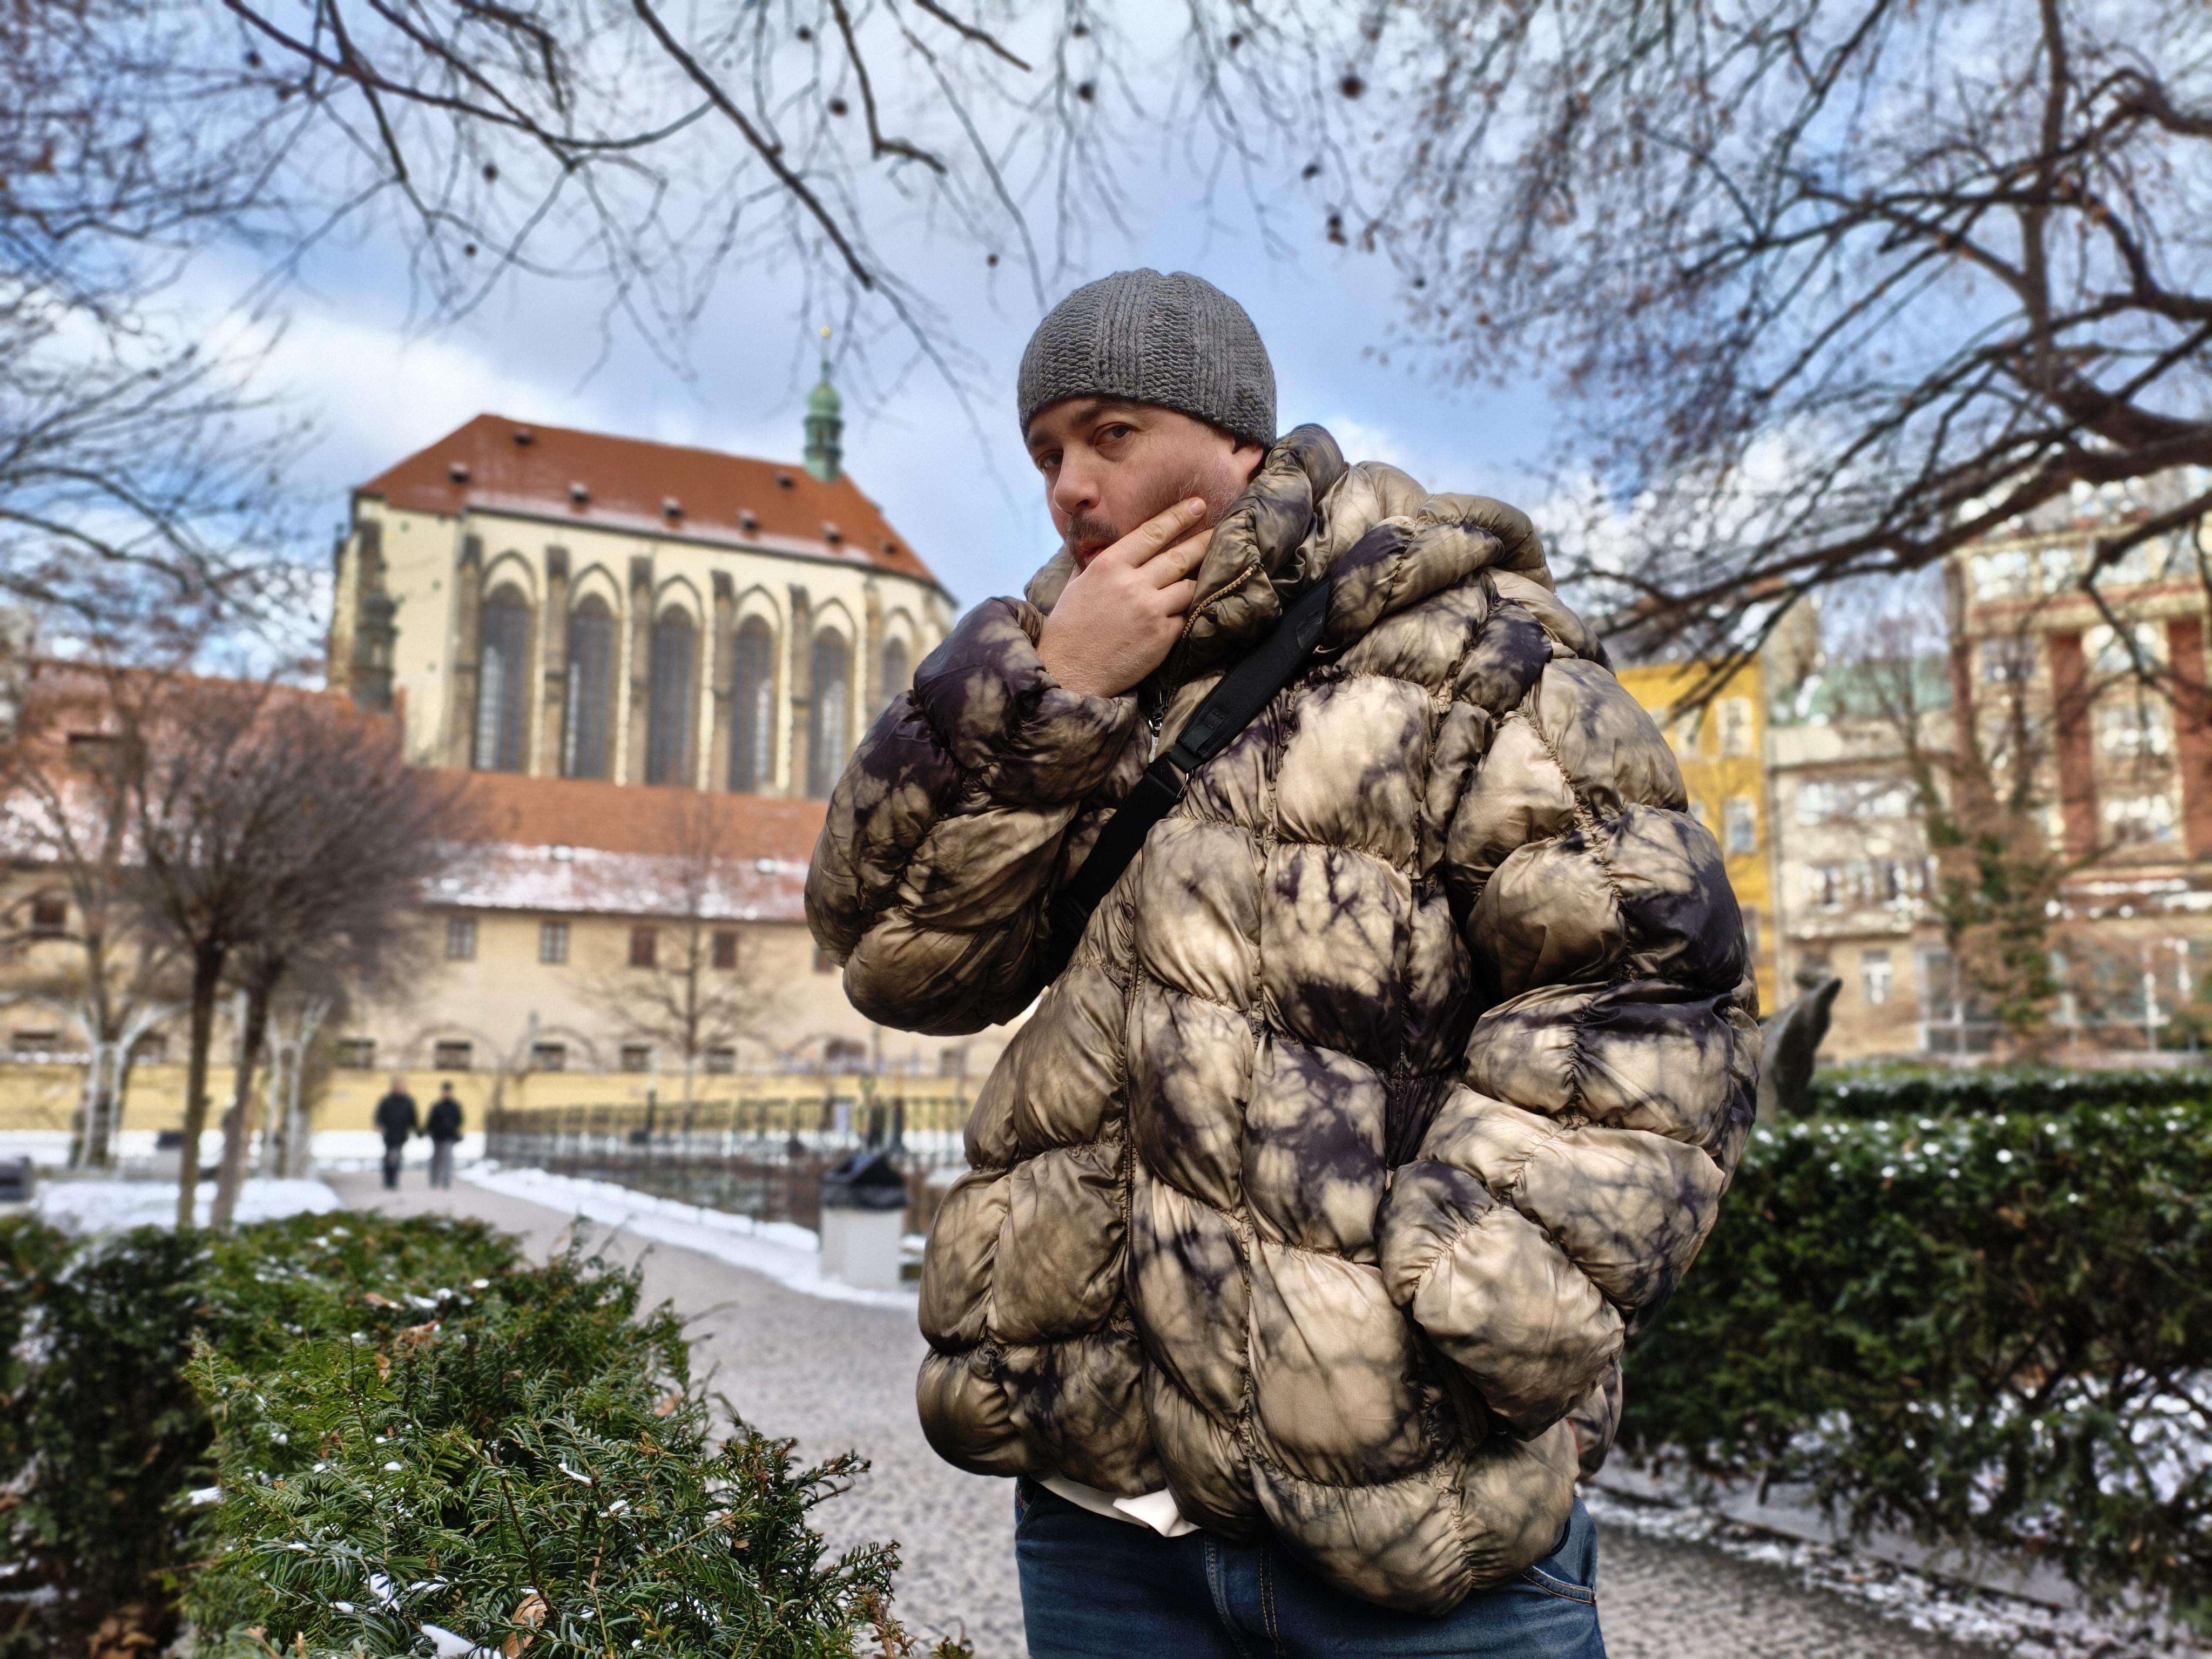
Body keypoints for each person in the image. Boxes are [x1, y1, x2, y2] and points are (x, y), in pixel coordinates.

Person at [805, 269, 1758, 1657]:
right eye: (1046, 451)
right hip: (1103, 1516)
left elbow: (1647, 997)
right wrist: (1046, 698)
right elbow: (898, 957)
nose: (1071, 486)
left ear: (1236, 437)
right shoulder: (1072, 668)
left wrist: (1459, 1321)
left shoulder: (1464, 650)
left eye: (1111, 432)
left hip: (1415, 1520)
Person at [372, 1076, 419, 1191]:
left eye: (402, 1086)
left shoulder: (408, 1101)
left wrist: (415, 1128)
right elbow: (379, 1115)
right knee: (389, 1157)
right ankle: (388, 1179)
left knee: (397, 1157)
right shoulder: (387, 1101)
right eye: (399, 1086)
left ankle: (394, 1180)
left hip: (401, 1134)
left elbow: (413, 1117)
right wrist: (380, 1125)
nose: (400, 1088)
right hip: (389, 1134)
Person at [424, 1082, 464, 1190]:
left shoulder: (456, 1107)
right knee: (436, 1159)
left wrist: (453, 1129)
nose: (447, 1094)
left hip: (449, 1136)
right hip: (437, 1136)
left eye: (449, 1092)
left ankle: (446, 1181)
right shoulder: (437, 1107)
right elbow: (431, 1121)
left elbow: (460, 1121)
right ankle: (434, 1180)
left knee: (447, 1159)